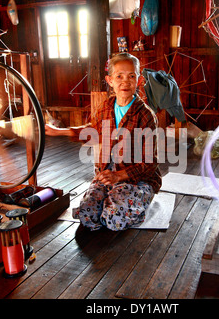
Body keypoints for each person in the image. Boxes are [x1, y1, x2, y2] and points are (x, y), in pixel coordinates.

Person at [45, 53, 161, 231]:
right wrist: (61, 131)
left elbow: (149, 163)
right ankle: (113, 195)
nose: (125, 81)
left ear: (139, 80)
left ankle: (137, 201)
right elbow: (93, 132)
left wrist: (119, 176)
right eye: (119, 76)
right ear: (110, 80)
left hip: (137, 179)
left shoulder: (145, 115)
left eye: (131, 76)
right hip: (108, 174)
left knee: (114, 219)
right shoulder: (105, 108)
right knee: (86, 215)